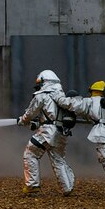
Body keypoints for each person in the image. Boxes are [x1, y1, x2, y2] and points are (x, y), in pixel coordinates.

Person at [16, 69, 75, 197]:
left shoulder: (42, 95)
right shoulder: (61, 95)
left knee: (30, 153)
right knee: (58, 159)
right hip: (61, 132)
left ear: (44, 82)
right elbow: (50, 116)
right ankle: (67, 187)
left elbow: (31, 113)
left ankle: (32, 186)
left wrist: (22, 121)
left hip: (47, 133)